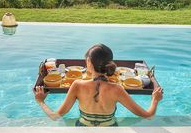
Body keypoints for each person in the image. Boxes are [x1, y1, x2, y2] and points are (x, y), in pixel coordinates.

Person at [34, 44, 163, 127]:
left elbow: (55, 116)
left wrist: (41, 101)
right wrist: (155, 99)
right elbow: (149, 116)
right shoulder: (117, 89)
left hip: (83, 130)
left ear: (89, 63)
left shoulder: (77, 85)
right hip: (110, 132)